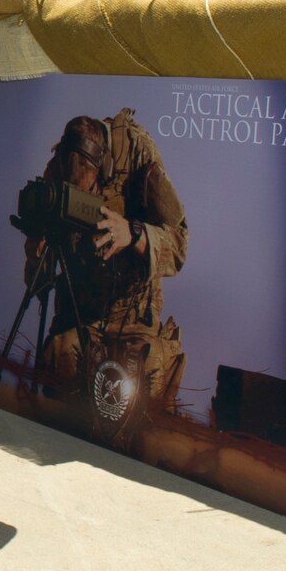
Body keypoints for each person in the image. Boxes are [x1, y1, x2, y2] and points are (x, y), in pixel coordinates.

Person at [23, 111, 188, 424]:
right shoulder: (57, 173)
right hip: (80, 314)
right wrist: (35, 256)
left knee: (141, 397)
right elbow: (38, 286)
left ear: (105, 167)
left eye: (92, 189)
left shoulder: (138, 155)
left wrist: (134, 234)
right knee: (60, 367)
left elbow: (179, 247)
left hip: (133, 317)